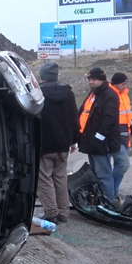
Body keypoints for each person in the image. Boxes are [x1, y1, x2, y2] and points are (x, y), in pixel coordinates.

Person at [36, 62, 81, 224]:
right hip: (63, 144)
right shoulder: (68, 93)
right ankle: (63, 213)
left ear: (42, 76)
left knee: (44, 179)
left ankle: (51, 212)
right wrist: (74, 140)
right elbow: (74, 118)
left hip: (44, 145)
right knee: (61, 178)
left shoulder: (38, 93)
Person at [78, 67, 122, 203]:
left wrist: (99, 137)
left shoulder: (110, 95)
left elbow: (109, 119)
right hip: (91, 141)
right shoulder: (93, 94)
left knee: (104, 174)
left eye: (94, 79)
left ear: (102, 80)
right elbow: (83, 113)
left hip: (101, 143)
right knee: (96, 173)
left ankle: (109, 201)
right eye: (89, 79)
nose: (91, 82)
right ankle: (101, 199)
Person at [109, 73, 132, 202]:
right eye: (123, 84)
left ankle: (113, 192)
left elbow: (128, 113)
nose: (125, 86)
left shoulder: (125, 95)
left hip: (125, 135)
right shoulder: (110, 95)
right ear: (115, 84)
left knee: (120, 165)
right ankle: (110, 190)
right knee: (123, 165)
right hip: (115, 136)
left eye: (126, 84)